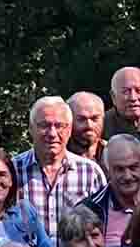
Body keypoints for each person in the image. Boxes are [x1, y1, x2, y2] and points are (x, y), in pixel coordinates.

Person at [13, 96, 109, 239]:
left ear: (69, 130)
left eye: (59, 126)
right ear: (31, 129)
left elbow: (104, 226)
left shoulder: (90, 173)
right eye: (44, 125)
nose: (52, 134)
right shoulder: (12, 170)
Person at [80, 134, 140, 247]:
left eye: (133, 167)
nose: (127, 176)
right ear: (107, 169)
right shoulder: (88, 211)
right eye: (119, 169)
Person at [104, 66, 140, 151]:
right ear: (113, 97)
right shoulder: (102, 125)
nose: (133, 98)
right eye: (126, 91)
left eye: (139, 91)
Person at [67, 90, 107, 163]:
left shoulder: (115, 152)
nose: (89, 125)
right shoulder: (59, 156)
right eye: (81, 119)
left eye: (94, 119)